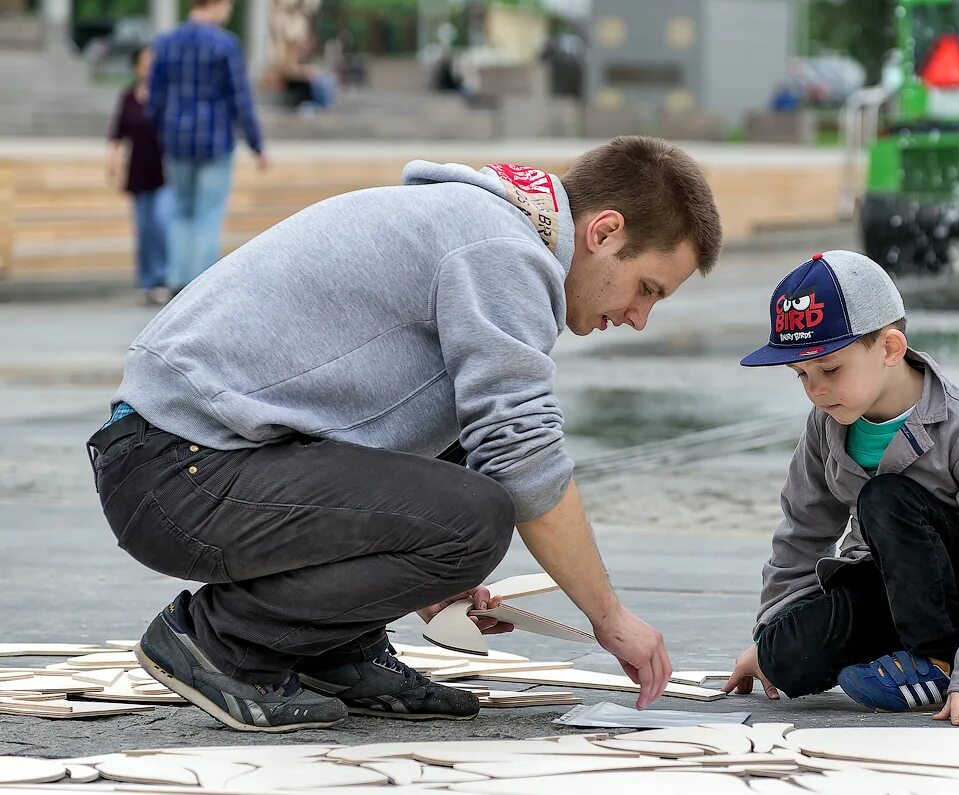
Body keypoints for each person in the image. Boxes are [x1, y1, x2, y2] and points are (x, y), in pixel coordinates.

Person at [86, 136, 723, 733]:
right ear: (605, 231)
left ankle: (333, 648)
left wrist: (422, 571)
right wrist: (609, 619)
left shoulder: (481, 224)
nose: (639, 318)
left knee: (462, 472)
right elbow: (522, 452)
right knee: (476, 517)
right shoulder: (501, 251)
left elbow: (449, 438)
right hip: (178, 474)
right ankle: (222, 642)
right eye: (647, 289)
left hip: (177, 460)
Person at [722, 251, 959, 728]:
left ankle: (938, 665)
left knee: (885, 497)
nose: (815, 389)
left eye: (830, 369)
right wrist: (776, 631)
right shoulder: (827, 424)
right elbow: (803, 528)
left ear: (890, 348)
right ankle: (896, 655)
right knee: (782, 659)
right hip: (883, 588)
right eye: (801, 375)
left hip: (953, 604)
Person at [148, 0, 267, 295]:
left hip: (176, 139)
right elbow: (241, 99)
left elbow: (155, 97)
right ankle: (200, 287)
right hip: (214, 139)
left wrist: (160, 132)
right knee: (208, 213)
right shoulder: (225, 44)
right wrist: (256, 144)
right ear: (216, 4)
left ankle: (177, 279)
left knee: (180, 210)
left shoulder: (166, 42)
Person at [106, 45, 171, 306]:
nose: (149, 67)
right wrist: (112, 160)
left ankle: (163, 277)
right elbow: (117, 133)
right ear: (136, 66)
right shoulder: (128, 97)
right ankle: (146, 282)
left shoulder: (166, 96)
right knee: (143, 229)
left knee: (161, 222)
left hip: (165, 171)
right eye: (145, 62)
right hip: (138, 171)